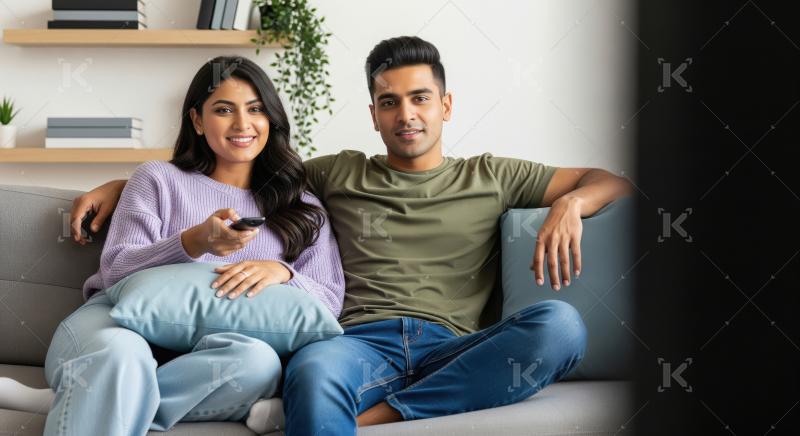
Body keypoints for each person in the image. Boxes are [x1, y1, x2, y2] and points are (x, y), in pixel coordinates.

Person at [71, 37, 632, 435]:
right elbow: (242, 166)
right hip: (354, 343)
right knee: (312, 372)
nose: (405, 115)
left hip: (452, 345)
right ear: (373, 113)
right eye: (389, 102)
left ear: (446, 105)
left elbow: (611, 180)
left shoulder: (493, 175)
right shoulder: (335, 174)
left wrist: (572, 202)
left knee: (560, 325)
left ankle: (374, 418)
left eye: (419, 99)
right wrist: (124, 184)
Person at [27, 56, 344, 436]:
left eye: (256, 109)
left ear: (271, 119)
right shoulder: (157, 179)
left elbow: (328, 302)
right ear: (197, 120)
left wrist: (282, 272)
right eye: (224, 110)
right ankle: (97, 389)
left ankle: (88, 397)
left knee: (258, 362)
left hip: (210, 354)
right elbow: (115, 271)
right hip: (114, 326)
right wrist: (193, 242)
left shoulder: (302, 206)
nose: (243, 124)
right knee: (118, 356)